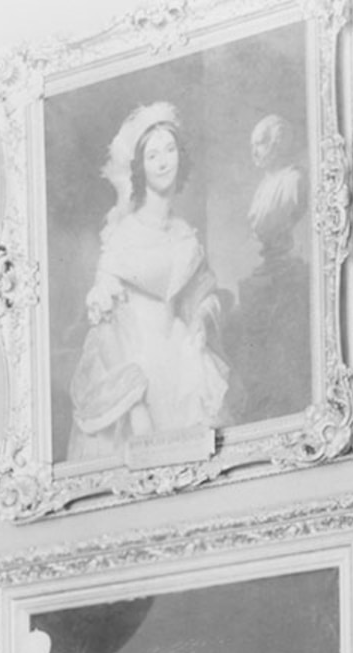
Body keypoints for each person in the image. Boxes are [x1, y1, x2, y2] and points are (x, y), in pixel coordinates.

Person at [66, 101, 232, 461]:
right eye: (152, 155)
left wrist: (202, 318)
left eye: (170, 150)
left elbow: (202, 293)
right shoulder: (123, 236)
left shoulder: (186, 233)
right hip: (137, 371)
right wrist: (135, 404)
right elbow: (106, 329)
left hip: (182, 362)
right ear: (140, 167)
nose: (163, 161)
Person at [228, 111, 311, 423]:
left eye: (260, 144)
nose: (254, 152)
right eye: (252, 145)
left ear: (278, 145)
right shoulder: (264, 186)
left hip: (285, 270)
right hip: (266, 272)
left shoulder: (294, 182)